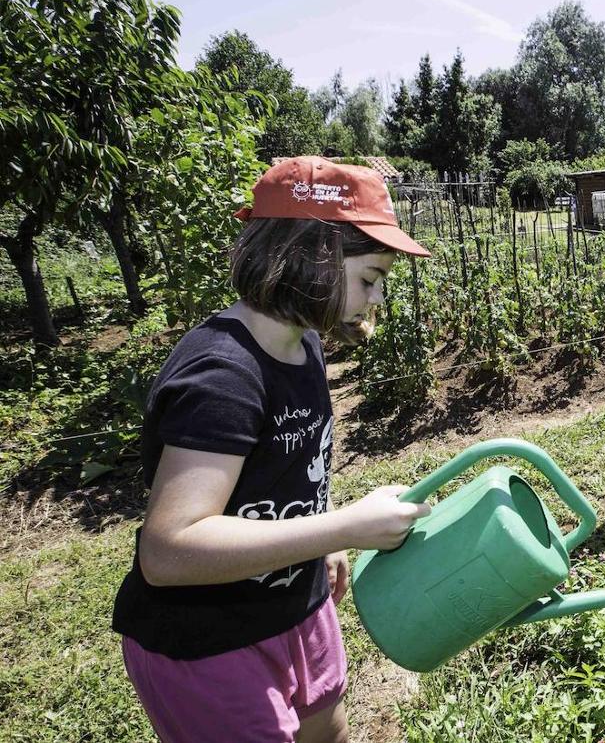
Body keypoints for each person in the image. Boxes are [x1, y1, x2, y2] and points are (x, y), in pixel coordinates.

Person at [112, 157, 433, 743]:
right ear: (309, 256)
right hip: (208, 643)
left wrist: (320, 537)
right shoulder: (222, 375)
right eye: (369, 277)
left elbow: (289, 463)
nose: (378, 295)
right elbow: (168, 550)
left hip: (295, 606)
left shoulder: (301, 344)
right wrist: (340, 530)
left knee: (327, 730)